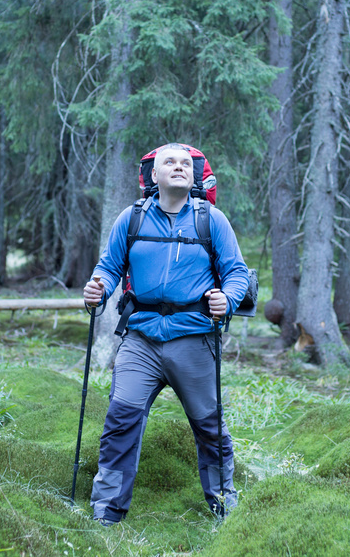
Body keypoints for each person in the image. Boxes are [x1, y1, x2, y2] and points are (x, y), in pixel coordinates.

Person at [83, 143, 250, 526]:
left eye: (184, 164)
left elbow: (237, 272)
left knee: (210, 428)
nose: (178, 167)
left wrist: (229, 297)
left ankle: (226, 510)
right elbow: (108, 267)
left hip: (194, 341)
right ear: (153, 176)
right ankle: (105, 515)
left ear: (193, 176)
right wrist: (98, 288)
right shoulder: (132, 218)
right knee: (120, 421)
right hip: (140, 341)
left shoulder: (212, 220)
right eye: (168, 163)